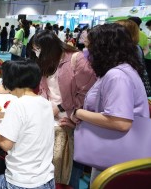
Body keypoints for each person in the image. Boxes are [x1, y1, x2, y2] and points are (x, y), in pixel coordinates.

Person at [71, 24, 149, 183]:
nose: (86, 52)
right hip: (116, 150)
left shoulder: (117, 76)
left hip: (119, 153)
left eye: (89, 47)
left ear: (103, 48)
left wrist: (79, 113)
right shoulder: (117, 70)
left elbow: (120, 122)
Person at [30, 30, 97, 188]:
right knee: (51, 164)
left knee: (69, 166)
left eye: (38, 50)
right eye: (34, 50)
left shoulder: (76, 58)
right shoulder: (47, 61)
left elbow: (86, 94)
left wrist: (62, 109)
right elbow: (44, 88)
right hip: (51, 116)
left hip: (72, 118)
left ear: (49, 47)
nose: (36, 53)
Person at [0, 60, 55, 189]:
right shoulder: (46, 103)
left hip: (20, 183)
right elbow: (30, 120)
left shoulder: (17, 105)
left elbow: (5, 144)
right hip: (47, 180)